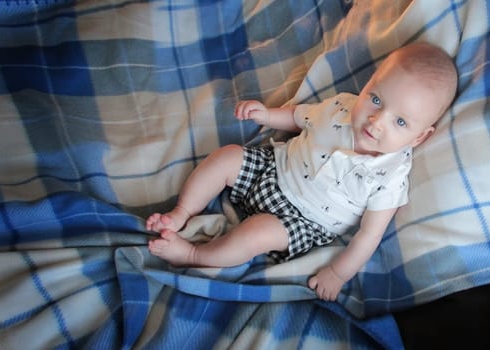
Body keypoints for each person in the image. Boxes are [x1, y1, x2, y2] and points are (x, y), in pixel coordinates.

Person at [146, 41, 458, 301]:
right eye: (376, 99)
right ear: (369, 84)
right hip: (273, 167)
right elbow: (301, 117)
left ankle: (192, 255)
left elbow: (369, 235)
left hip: (302, 221)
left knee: (256, 234)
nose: (376, 122)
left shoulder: (391, 176)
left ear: (420, 137)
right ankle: (182, 211)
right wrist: (268, 115)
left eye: (400, 122)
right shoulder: (342, 107)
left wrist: (337, 273)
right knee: (228, 156)